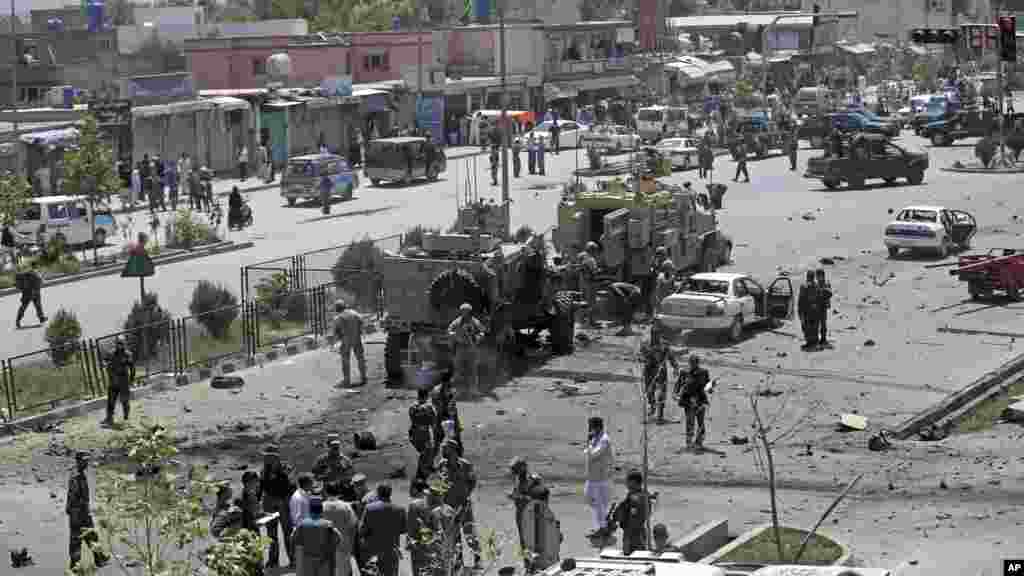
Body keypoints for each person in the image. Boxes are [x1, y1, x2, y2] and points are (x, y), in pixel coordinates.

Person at [436, 439, 481, 568]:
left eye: (445, 448)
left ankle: (477, 558)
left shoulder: (465, 464)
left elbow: (472, 481)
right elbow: (440, 482)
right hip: (449, 505)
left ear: (453, 450)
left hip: (463, 504)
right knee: (452, 534)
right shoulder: (442, 464)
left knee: (469, 531)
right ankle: (458, 561)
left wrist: (466, 494)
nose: (442, 451)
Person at [67, 451, 109, 569]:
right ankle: (75, 566)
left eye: (87, 461)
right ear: (78, 461)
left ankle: (99, 558)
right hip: (78, 513)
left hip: (82, 511)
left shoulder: (80, 473)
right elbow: (73, 497)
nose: (86, 463)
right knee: (76, 541)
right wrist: (76, 513)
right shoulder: (76, 476)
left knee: (91, 535)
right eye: (84, 461)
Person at [261, 443, 297, 569]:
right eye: (266, 456)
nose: (267, 459)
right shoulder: (264, 470)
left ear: (276, 457)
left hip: (283, 503)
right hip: (269, 505)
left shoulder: (286, 468)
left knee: (288, 532)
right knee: (271, 534)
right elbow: (264, 487)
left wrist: (279, 474)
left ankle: (293, 559)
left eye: (269, 456)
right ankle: (273, 560)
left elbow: (291, 486)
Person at [359, 484, 407, 576]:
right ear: (390, 493)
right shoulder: (400, 509)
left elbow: (362, 530)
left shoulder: (369, 508)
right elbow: (403, 529)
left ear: (378, 493)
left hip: (373, 550)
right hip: (392, 550)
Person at [292, 496, 343, 576]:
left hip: (307, 559)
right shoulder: (328, 524)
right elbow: (338, 538)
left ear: (309, 510)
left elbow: (294, 539)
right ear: (321, 510)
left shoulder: (302, 524)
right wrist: (331, 548)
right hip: (324, 559)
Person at [520, 484, 562, 573]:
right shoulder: (540, 512)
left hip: (536, 558)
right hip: (546, 560)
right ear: (546, 498)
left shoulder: (528, 512)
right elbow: (539, 537)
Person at [508, 457, 545, 556]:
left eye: (516, 471)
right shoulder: (518, 480)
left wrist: (521, 497)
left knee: (534, 540)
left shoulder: (534, 480)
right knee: (524, 542)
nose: (516, 474)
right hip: (520, 513)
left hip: (532, 514)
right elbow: (517, 492)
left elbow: (541, 497)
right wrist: (514, 496)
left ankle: (537, 564)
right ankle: (528, 564)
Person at [674, 355, 712, 451]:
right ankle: (689, 442)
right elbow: (678, 384)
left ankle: (699, 442)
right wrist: (675, 393)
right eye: (691, 362)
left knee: (700, 421)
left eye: (695, 362)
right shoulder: (684, 372)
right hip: (688, 400)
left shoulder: (703, 373)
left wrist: (711, 387)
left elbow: (707, 386)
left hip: (700, 400)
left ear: (698, 363)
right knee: (689, 421)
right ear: (689, 363)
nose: (693, 364)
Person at [584, 416, 613, 539]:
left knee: (599, 504)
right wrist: (590, 443)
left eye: (590, 426)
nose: (589, 429)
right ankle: (605, 522)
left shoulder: (604, 440)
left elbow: (594, 454)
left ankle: (602, 528)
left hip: (601, 479)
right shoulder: (595, 438)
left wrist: (590, 444)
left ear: (596, 427)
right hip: (592, 477)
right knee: (589, 499)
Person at [642, 325, 678, 424]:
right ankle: (652, 406)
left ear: (660, 335)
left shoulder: (665, 344)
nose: (655, 336)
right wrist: (644, 359)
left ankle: (660, 416)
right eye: (653, 334)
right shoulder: (645, 344)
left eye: (657, 334)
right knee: (649, 392)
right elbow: (641, 355)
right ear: (651, 334)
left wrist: (675, 368)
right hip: (649, 371)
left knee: (662, 394)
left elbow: (671, 356)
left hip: (661, 372)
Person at [447, 303, 485, 396]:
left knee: (472, 369)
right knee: (459, 369)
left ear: (470, 311)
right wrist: (454, 335)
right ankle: (459, 389)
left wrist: (478, 338)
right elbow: (449, 330)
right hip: (461, 348)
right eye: (463, 311)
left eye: (467, 311)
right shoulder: (457, 322)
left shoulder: (475, 321)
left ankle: (473, 389)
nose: (465, 312)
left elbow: (482, 331)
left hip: (471, 348)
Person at [322, 482, 359, 576]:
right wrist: (351, 543)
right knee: (345, 571)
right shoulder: (346, 506)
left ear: (326, 492)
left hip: (326, 545)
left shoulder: (321, 506)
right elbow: (353, 525)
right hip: (344, 543)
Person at [101, 336, 135, 427]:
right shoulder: (111, 353)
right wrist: (104, 364)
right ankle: (109, 418)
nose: (119, 345)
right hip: (113, 381)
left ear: (124, 344)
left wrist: (131, 379)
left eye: (121, 343)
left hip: (124, 382)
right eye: (118, 343)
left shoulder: (128, 354)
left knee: (125, 401)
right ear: (116, 344)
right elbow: (104, 360)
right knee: (111, 401)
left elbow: (132, 367)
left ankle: (126, 418)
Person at [333, 299, 368, 388]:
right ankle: (364, 377)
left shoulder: (338, 318)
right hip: (356, 338)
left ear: (337, 309)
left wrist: (337, 342)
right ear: (345, 306)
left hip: (346, 340)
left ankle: (346, 380)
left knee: (345, 361)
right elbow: (361, 321)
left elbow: (336, 332)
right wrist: (360, 332)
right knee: (360, 358)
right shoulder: (354, 312)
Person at [614, 470, 649, 555]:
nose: (626, 484)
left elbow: (635, 518)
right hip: (631, 534)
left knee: (636, 556)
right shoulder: (635, 495)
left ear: (633, 482)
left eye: (628, 481)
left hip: (634, 535)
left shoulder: (637, 497)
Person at [409, 388, 438, 483]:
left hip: (414, 433)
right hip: (424, 434)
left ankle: (425, 470)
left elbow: (413, 420)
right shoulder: (429, 407)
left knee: (424, 452)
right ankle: (421, 474)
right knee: (426, 453)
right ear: (426, 396)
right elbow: (433, 423)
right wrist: (435, 433)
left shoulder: (412, 407)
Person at [406, 478, 432, 576]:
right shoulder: (430, 501)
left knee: (418, 571)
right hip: (432, 541)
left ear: (415, 489)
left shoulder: (414, 504)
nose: (409, 490)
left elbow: (411, 526)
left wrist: (409, 542)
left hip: (418, 543)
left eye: (411, 488)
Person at [15, 260, 46, 328]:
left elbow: (38, 281)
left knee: (37, 306)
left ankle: (41, 318)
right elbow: (39, 281)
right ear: (35, 265)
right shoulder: (32, 272)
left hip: (31, 293)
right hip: (30, 293)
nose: (38, 266)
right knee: (25, 307)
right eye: (37, 265)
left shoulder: (32, 272)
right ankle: (18, 320)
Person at [798, 270, 820, 350]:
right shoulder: (817, 286)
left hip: (806, 309)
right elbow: (819, 298)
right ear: (813, 277)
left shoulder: (804, 286)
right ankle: (814, 342)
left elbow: (801, 299)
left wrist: (799, 311)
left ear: (807, 277)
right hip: (815, 309)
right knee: (814, 326)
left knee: (806, 326)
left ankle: (809, 343)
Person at [578, 242, 600, 327]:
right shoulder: (591, 259)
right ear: (592, 250)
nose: (596, 252)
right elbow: (594, 271)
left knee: (583, 301)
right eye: (595, 250)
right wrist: (599, 270)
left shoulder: (581, 256)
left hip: (582, 282)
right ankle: (590, 321)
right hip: (590, 283)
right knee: (591, 302)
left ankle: (582, 321)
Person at [816, 268, 832, 348]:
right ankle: (816, 339)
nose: (818, 278)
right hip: (816, 306)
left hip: (823, 306)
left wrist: (822, 291)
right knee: (816, 323)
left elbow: (829, 293)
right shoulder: (815, 284)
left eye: (819, 276)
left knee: (823, 323)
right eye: (817, 276)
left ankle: (823, 339)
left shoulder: (826, 284)